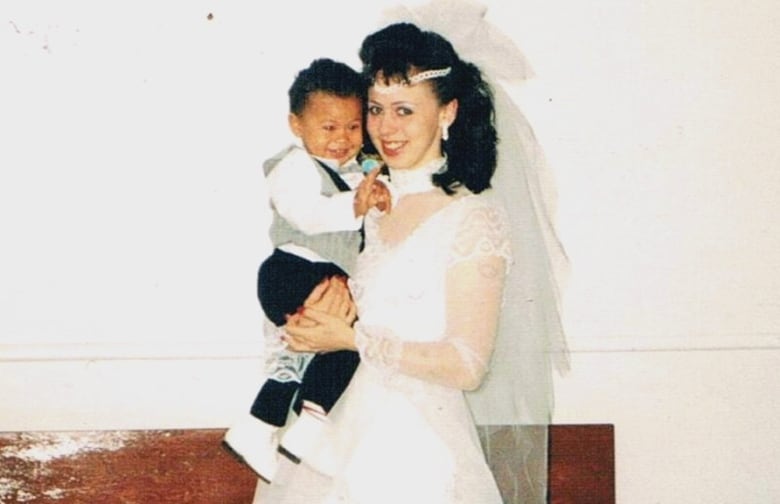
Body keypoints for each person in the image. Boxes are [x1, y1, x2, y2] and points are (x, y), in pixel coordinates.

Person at [254, 20, 514, 503]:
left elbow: (467, 365)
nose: (385, 128)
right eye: (375, 110)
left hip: (416, 447)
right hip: (331, 433)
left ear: (447, 113)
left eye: (404, 111)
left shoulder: (472, 219)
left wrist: (351, 337)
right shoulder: (361, 206)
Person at [223, 57, 391, 484]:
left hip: (323, 277)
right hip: (290, 271)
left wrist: (379, 199)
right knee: (341, 336)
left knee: (333, 347)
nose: (342, 139)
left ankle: (268, 427)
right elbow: (308, 215)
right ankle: (307, 430)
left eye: (353, 127)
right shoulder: (292, 165)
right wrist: (357, 203)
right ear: (297, 124)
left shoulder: (358, 171)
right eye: (328, 127)